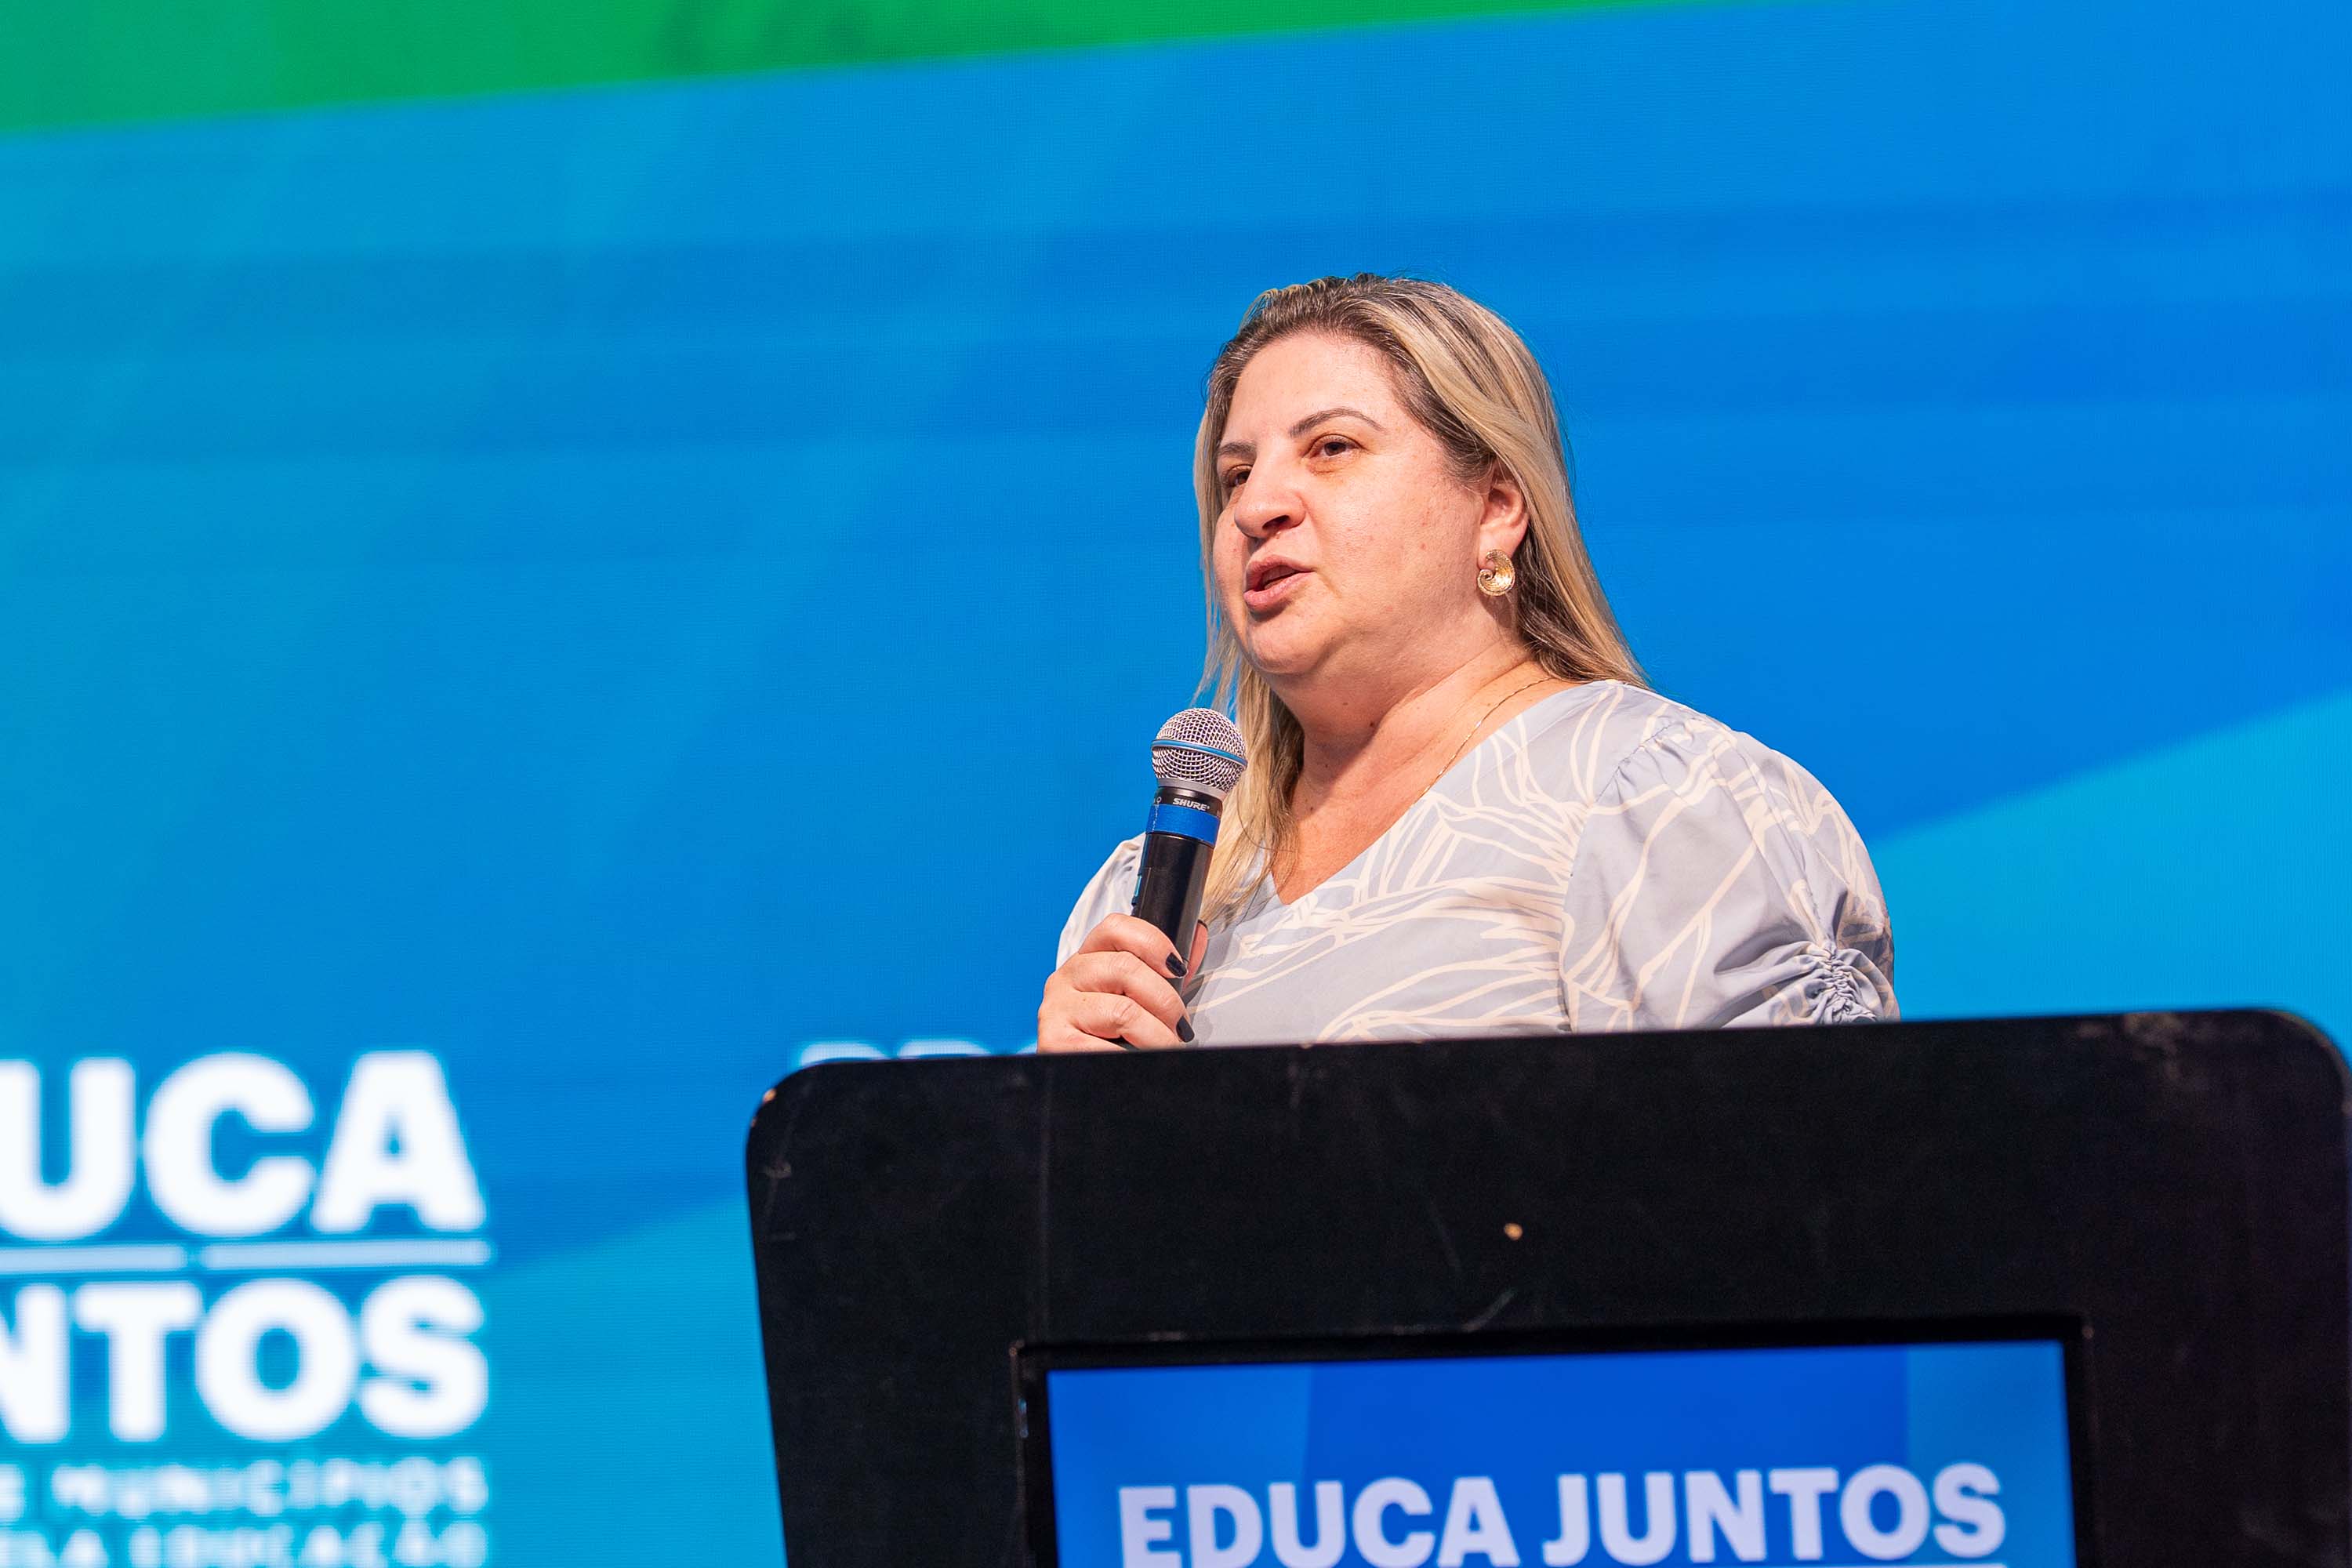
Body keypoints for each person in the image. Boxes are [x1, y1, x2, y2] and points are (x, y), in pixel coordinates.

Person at [1040, 274, 1894, 1051]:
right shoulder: (1147, 895)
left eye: (1332, 447)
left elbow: (1794, 1165)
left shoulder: (1660, 802)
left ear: (1494, 507)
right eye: (1236, 475)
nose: (1258, 505)